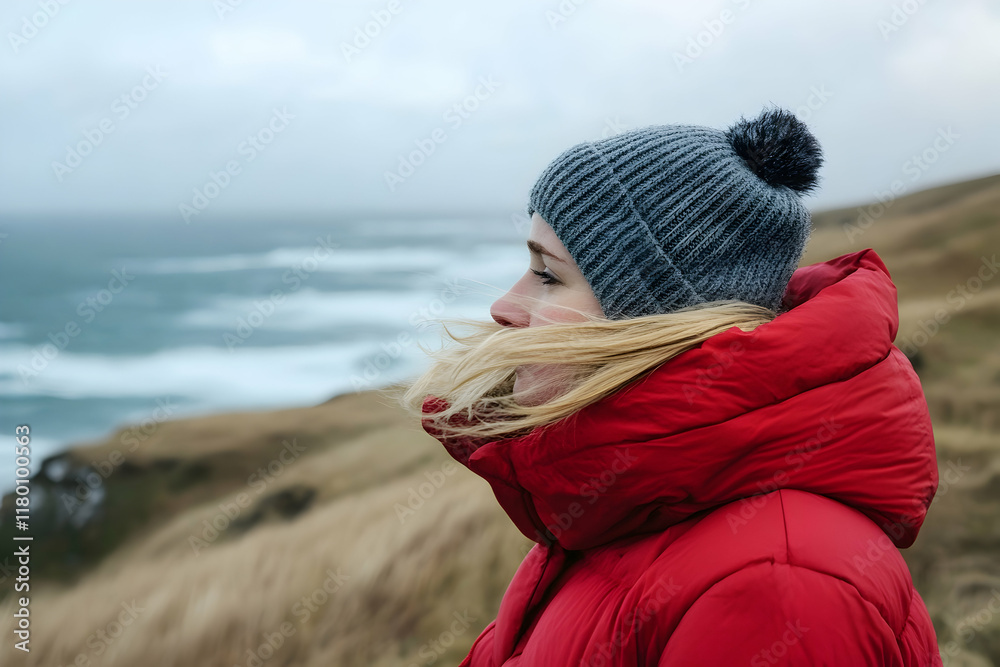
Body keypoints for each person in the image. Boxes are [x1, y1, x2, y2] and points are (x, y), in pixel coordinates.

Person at [395, 107, 942, 666]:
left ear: (661, 318)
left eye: (548, 275)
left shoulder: (777, 585)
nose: (504, 307)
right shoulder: (628, 506)